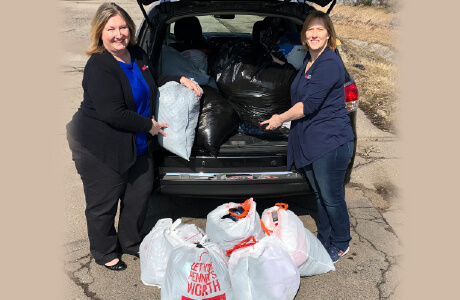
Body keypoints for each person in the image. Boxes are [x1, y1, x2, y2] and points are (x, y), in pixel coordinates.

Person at [66, 2, 201, 271]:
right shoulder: (100, 65)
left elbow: (151, 81)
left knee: (138, 196)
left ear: (130, 28)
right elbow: (112, 113)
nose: (119, 34)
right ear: (100, 32)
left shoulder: (137, 54)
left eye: (123, 27)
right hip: (99, 145)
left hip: (136, 142)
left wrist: (179, 78)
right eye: (111, 29)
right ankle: (104, 251)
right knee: (103, 202)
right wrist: (149, 127)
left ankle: (130, 242)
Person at [260, 11, 354, 263]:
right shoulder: (309, 62)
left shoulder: (330, 63)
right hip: (312, 140)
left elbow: (308, 105)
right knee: (320, 196)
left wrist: (280, 118)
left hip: (330, 141)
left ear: (329, 35)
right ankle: (325, 239)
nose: (314, 34)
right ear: (303, 36)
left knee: (332, 198)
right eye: (310, 30)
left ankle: (341, 241)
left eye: (320, 30)